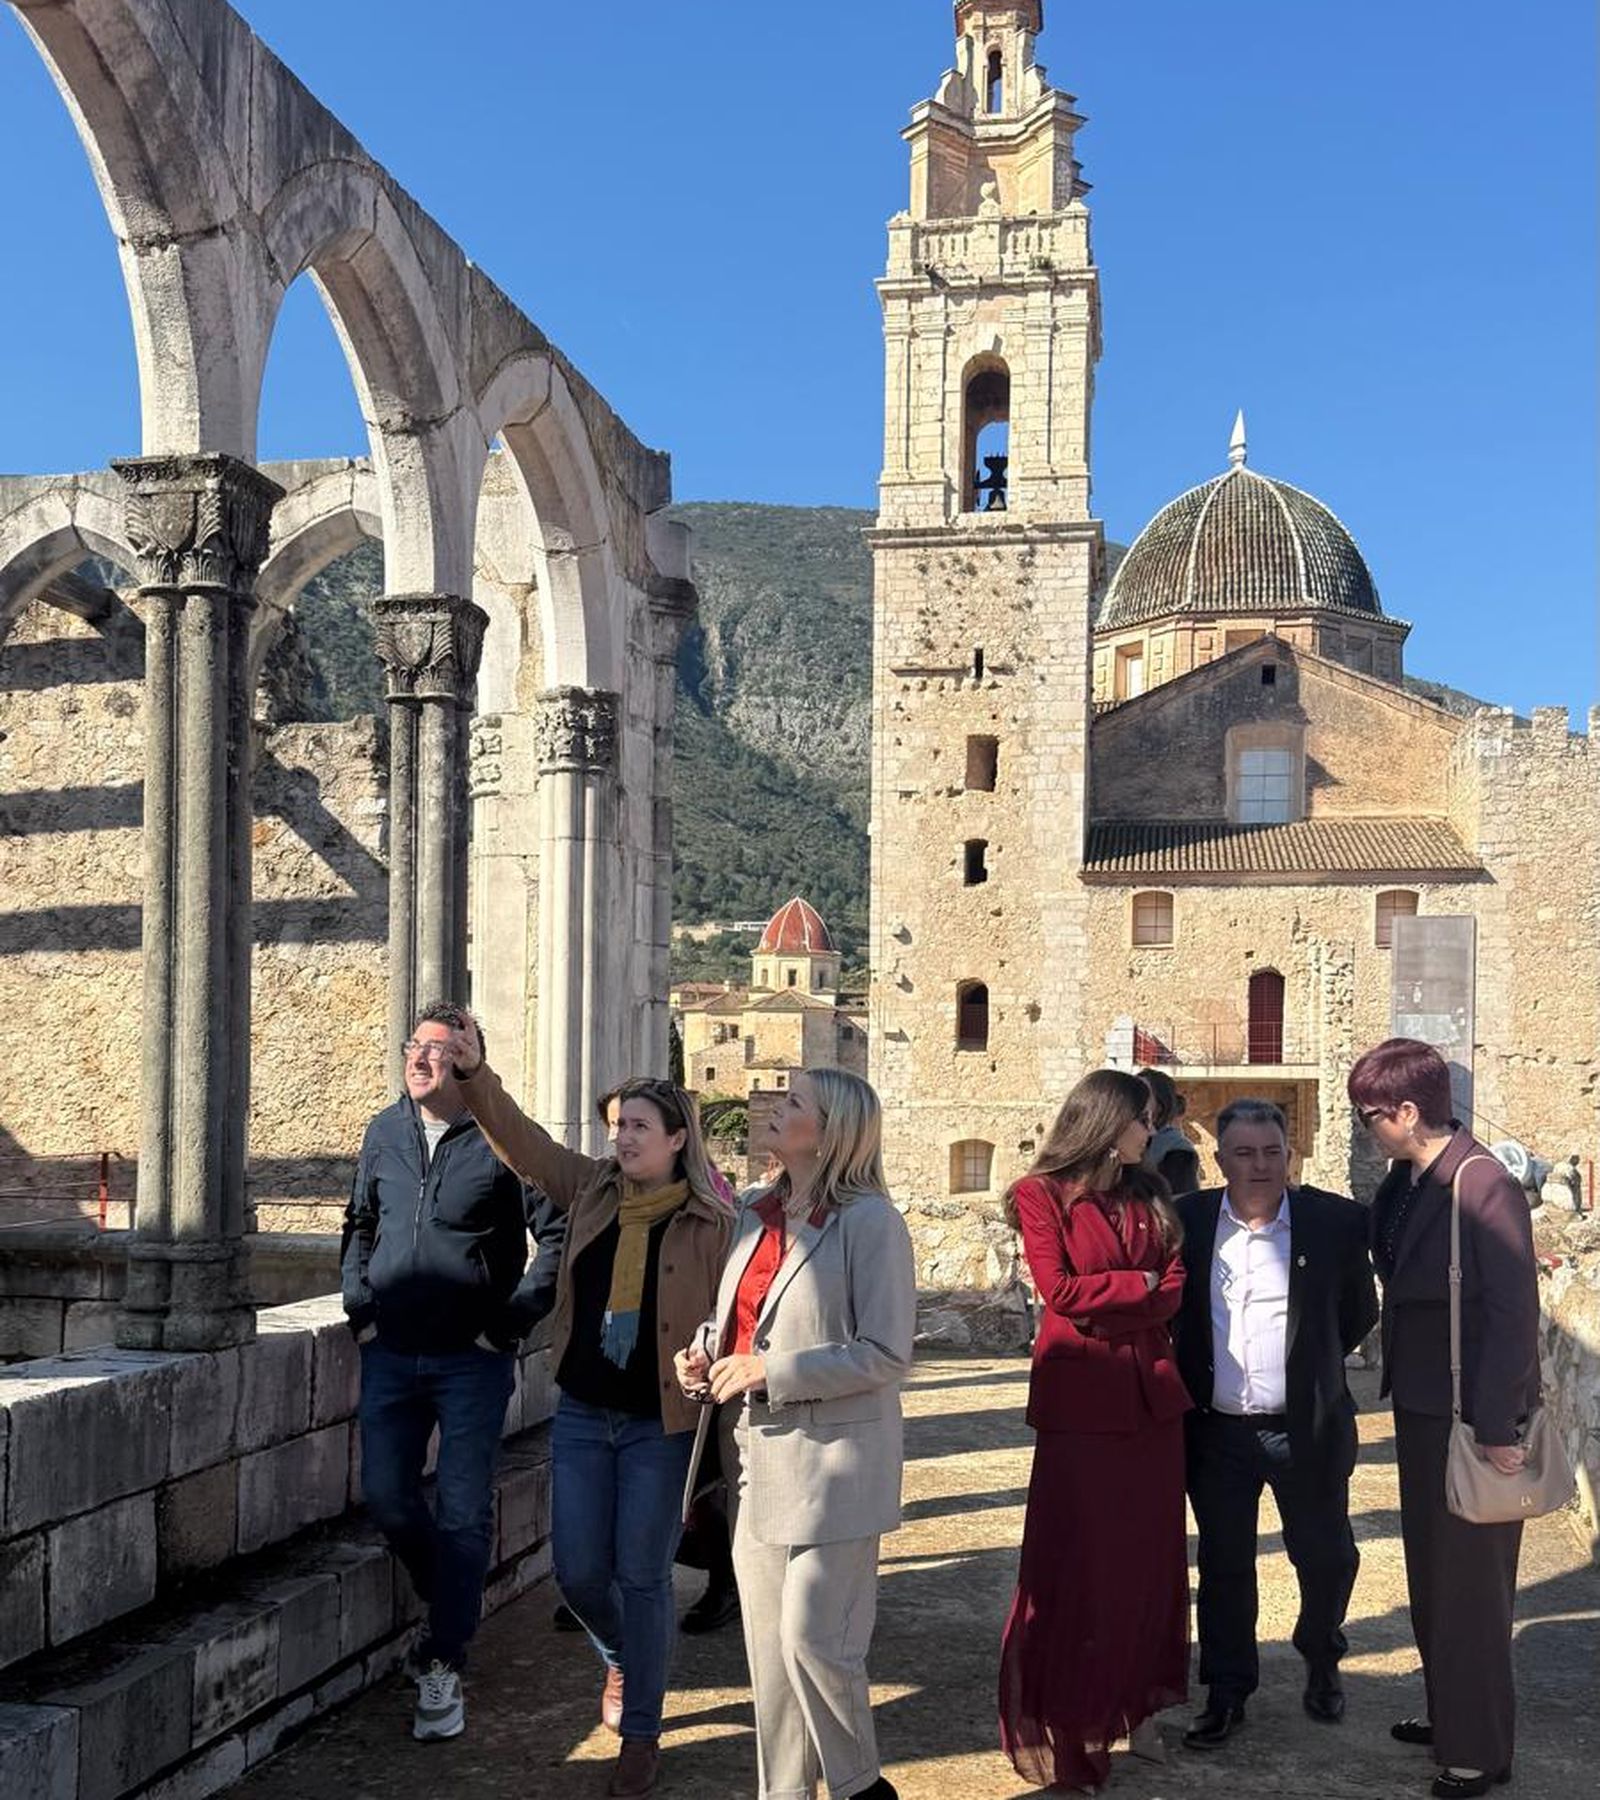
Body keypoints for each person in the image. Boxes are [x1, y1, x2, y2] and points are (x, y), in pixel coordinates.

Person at [444, 1040, 733, 1800]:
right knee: (577, 1571)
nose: (624, 1138)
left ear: (678, 1140)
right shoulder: (593, 1190)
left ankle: (641, 1734)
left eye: (639, 1126)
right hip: (583, 1412)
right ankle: (623, 1657)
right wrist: (474, 1075)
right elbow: (523, 1143)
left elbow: (736, 1322)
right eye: (617, 1126)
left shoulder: (713, 1223)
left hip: (659, 1426)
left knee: (643, 1576)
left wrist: (712, 1362)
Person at [675, 1069, 914, 1800]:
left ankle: (860, 1787)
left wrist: (767, 1371)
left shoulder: (872, 1222)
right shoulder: (756, 1211)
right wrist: (706, 1352)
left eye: (794, 1103)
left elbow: (885, 1352)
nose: (774, 1109)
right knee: (770, 1661)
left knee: (816, 1642)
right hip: (754, 1458)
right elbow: (742, 1320)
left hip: (836, 1465)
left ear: (832, 1130)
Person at [340, 1002, 561, 1743]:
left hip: (471, 1360)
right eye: (415, 1045)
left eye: (439, 1049)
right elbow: (360, 1222)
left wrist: (510, 1322)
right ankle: (453, 1601)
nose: (422, 1058)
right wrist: (357, 1305)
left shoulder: (502, 1140)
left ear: (468, 1063)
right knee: (388, 1498)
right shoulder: (383, 1130)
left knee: (465, 1512)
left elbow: (556, 1234)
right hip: (391, 1351)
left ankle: (444, 1658)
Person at [1349, 1040, 1540, 1800]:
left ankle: (1479, 1752)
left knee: (1471, 1592)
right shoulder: (1412, 1179)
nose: (1367, 1131)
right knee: (1433, 1582)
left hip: (1471, 1419)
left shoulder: (1481, 1182)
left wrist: (1498, 1425)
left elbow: (1512, 1313)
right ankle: (1450, 1714)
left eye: (1372, 1117)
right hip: (1428, 1408)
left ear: (1406, 1112)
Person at [998, 1068, 1191, 1794]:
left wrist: (1131, 1294)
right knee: (1081, 1563)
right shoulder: (1038, 1194)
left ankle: (1137, 1704)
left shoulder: (1151, 1193)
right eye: (1143, 1119)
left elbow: (1172, 1287)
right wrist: (1136, 1288)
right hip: (1081, 1406)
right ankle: (1075, 1718)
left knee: (1148, 1563)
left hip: (1150, 1403)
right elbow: (1060, 1291)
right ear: (1108, 1123)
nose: (1153, 1130)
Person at [1172, 1098, 1378, 1750]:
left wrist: (1308, 1367)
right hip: (1217, 1431)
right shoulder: (1190, 1222)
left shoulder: (1335, 1223)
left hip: (1305, 1428)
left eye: (1271, 1152)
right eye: (1244, 1153)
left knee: (1327, 1557)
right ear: (1220, 1158)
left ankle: (1321, 1653)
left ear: (1288, 1153)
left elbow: (1358, 1314)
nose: (1259, 1165)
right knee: (1225, 1564)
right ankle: (1228, 1691)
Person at [1138, 1067, 1201, 1196]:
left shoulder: (1177, 1149)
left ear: (1160, 1106)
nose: (1133, 1098)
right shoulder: (1124, 1138)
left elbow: (1181, 1203)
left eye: (1141, 1094)